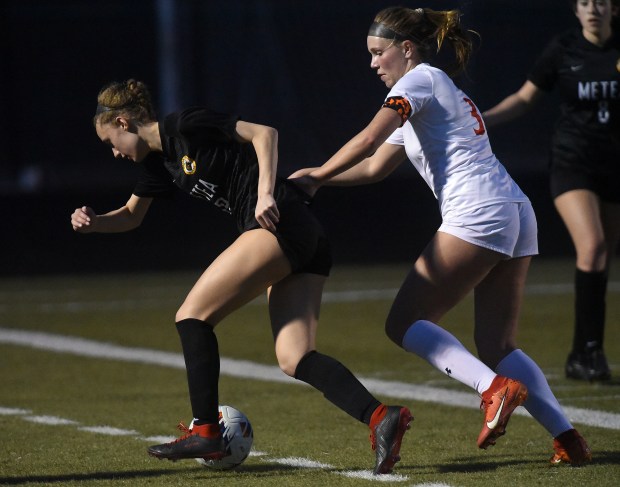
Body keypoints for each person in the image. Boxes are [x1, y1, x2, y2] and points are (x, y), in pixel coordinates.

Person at [289, 6, 591, 465]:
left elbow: (368, 140)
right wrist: (318, 177)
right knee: (498, 345)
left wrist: (317, 176)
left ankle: (493, 389)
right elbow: (373, 167)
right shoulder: (431, 88)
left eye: (378, 53)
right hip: (513, 209)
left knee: (403, 322)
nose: (373, 64)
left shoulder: (419, 81)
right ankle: (568, 440)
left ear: (406, 50)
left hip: (478, 211)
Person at [70, 79, 413, 475]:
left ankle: (207, 431)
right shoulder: (158, 164)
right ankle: (381, 416)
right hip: (302, 234)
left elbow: (264, 134)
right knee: (295, 357)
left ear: (123, 122)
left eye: (111, 141)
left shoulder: (184, 124)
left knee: (192, 316)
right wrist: (95, 222)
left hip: (276, 220)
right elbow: (131, 215)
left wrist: (265, 191)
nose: (113, 152)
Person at [482, 0, 619, 382]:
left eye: (601, 3)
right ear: (576, 10)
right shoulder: (564, 48)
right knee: (591, 246)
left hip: (615, 166)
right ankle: (587, 352)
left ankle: (586, 350)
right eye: (585, 3)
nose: (594, 9)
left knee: (603, 256)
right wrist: (481, 119)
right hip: (573, 162)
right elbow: (525, 98)